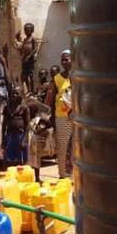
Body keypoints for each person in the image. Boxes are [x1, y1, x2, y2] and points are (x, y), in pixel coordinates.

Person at [47, 50, 74, 178]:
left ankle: (75, 174)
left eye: (67, 59)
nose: (65, 62)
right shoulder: (57, 79)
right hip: (62, 118)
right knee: (63, 146)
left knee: (76, 147)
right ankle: (63, 174)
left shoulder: (78, 76)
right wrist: (51, 118)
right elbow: (51, 100)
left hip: (77, 118)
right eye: (63, 59)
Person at [15, 23, 40, 94]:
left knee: (30, 75)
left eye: (28, 30)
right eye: (25, 30)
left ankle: (32, 90)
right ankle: (27, 89)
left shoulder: (33, 39)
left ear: (32, 30)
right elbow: (23, 48)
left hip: (30, 59)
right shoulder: (25, 39)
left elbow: (35, 49)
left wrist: (29, 56)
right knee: (24, 74)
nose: (26, 31)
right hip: (24, 59)